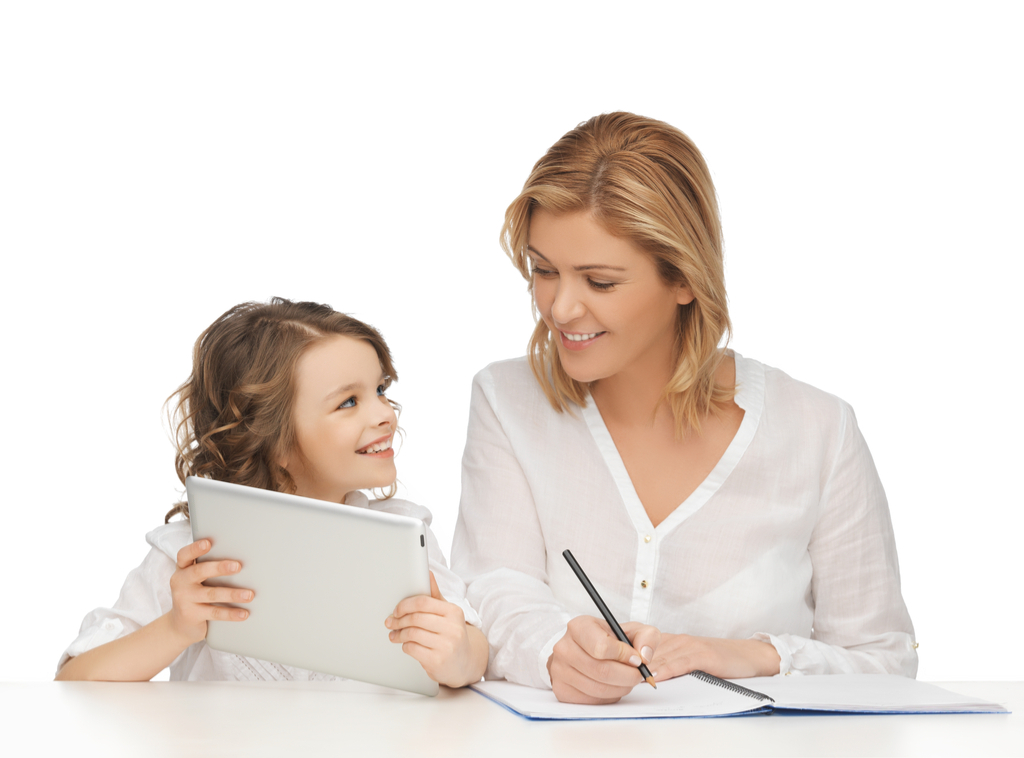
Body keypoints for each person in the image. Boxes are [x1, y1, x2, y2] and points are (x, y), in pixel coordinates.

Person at [451, 112, 917, 705]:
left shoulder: (818, 432)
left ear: (684, 279)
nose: (560, 307)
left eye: (600, 282)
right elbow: (494, 586)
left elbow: (885, 662)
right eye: (544, 271)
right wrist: (552, 650)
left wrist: (749, 655)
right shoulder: (505, 401)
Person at [56, 298, 488, 686]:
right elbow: (76, 676)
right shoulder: (192, 555)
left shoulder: (401, 533)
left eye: (379, 390)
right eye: (349, 402)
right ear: (273, 439)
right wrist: (176, 627)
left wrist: (457, 655)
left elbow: (474, 653)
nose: (385, 416)